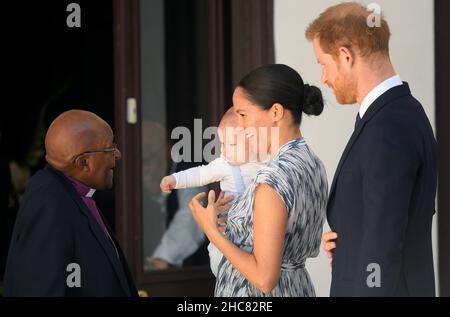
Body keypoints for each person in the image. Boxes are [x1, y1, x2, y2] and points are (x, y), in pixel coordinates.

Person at [306, 2, 438, 296]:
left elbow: (384, 241)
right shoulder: (396, 114)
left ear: (345, 55)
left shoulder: (388, 125)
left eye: (323, 65)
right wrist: (348, 250)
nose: (324, 78)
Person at [188, 64, 328, 296]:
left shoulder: (272, 178)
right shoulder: (313, 163)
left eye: (243, 114)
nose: (240, 126)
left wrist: (210, 230)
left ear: (275, 112)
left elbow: (264, 278)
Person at [3, 110, 138, 296]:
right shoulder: (48, 205)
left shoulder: (69, 192)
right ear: (83, 163)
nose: (118, 154)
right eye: (110, 148)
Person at [160, 109, 267, 276]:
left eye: (231, 144)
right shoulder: (224, 164)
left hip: (259, 231)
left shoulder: (267, 162)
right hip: (229, 228)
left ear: (252, 140)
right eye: (222, 144)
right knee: (219, 259)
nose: (224, 151)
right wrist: (175, 180)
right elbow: (201, 174)